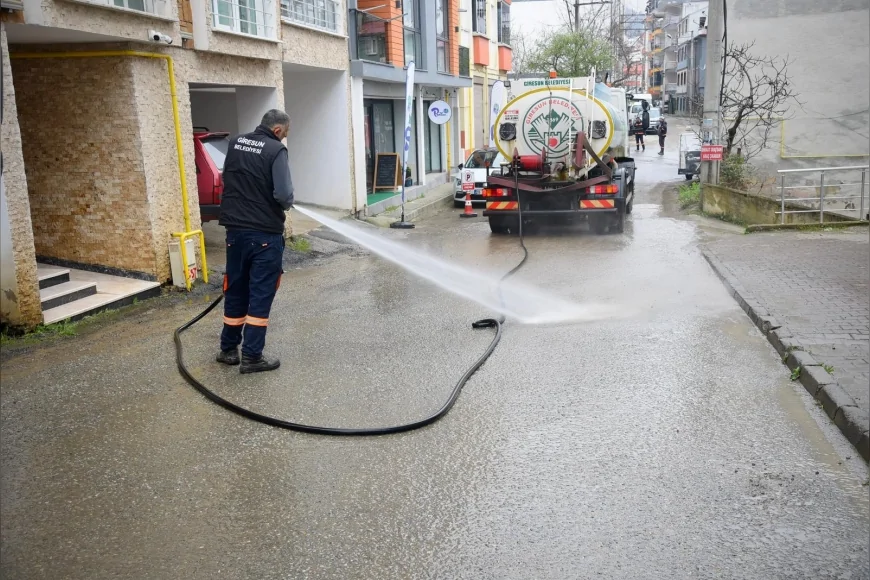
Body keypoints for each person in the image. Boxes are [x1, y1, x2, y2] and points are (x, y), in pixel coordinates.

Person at [216, 109, 294, 374]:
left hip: (235, 232)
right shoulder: (275, 150)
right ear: (277, 130)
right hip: (264, 234)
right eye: (284, 134)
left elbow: (228, 178)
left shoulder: (236, 143)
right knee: (261, 293)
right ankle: (252, 357)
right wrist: (287, 202)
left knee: (236, 288)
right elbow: (283, 194)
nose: (284, 139)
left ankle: (228, 350)